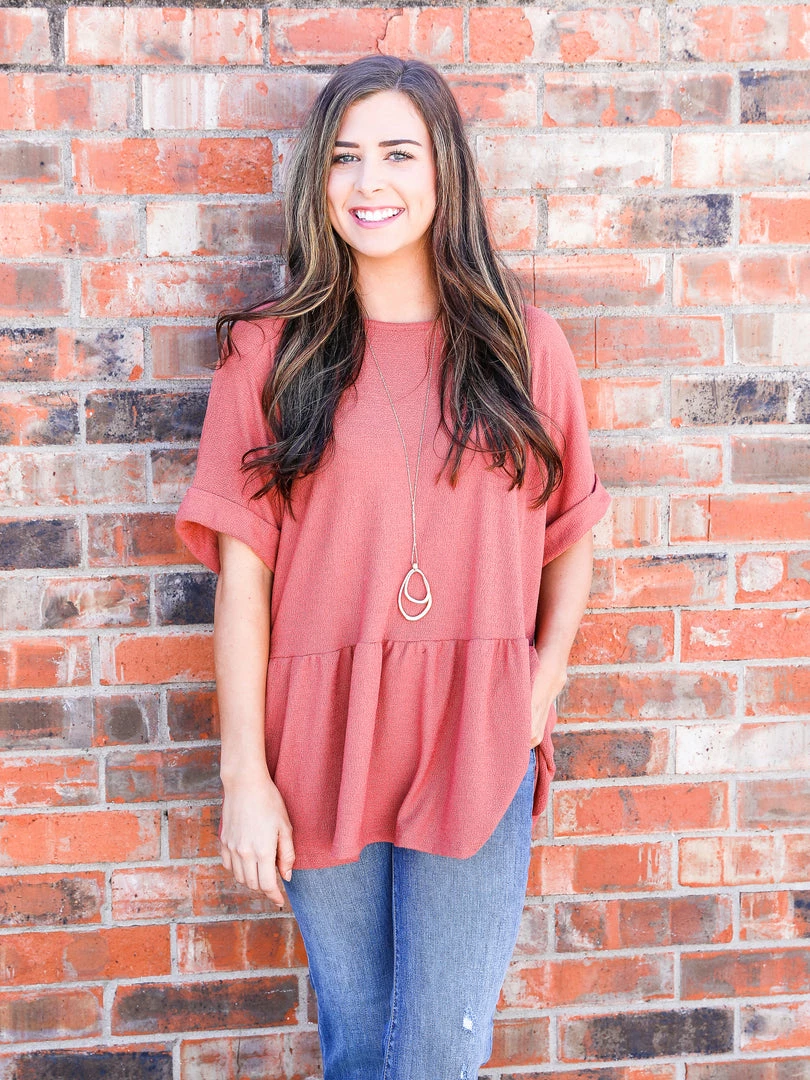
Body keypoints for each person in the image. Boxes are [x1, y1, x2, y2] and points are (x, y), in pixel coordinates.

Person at [175, 54, 610, 1080]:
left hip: (478, 731)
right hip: (322, 736)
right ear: (318, 181)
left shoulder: (524, 347)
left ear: (444, 169)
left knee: (435, 1055)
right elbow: (244, 583)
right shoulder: (269, 355)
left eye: (398, 154)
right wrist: (245, 777)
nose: (369, 182)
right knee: (362, 1045)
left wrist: (536, 691)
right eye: (344, 157)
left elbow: (573, 534)